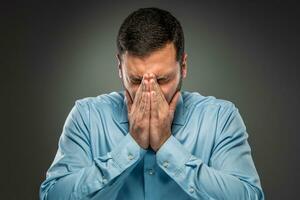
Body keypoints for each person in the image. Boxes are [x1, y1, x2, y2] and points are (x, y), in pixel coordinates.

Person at [40, 7, 264, 200]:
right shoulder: (87, 116)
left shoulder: (220, 118)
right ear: (120, 67)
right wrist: (131, 145)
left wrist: (167, 146)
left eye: (162, 79)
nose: (150, 92)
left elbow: (249, 195)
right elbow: (52, 195)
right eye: (136, 80)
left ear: (183, 66)